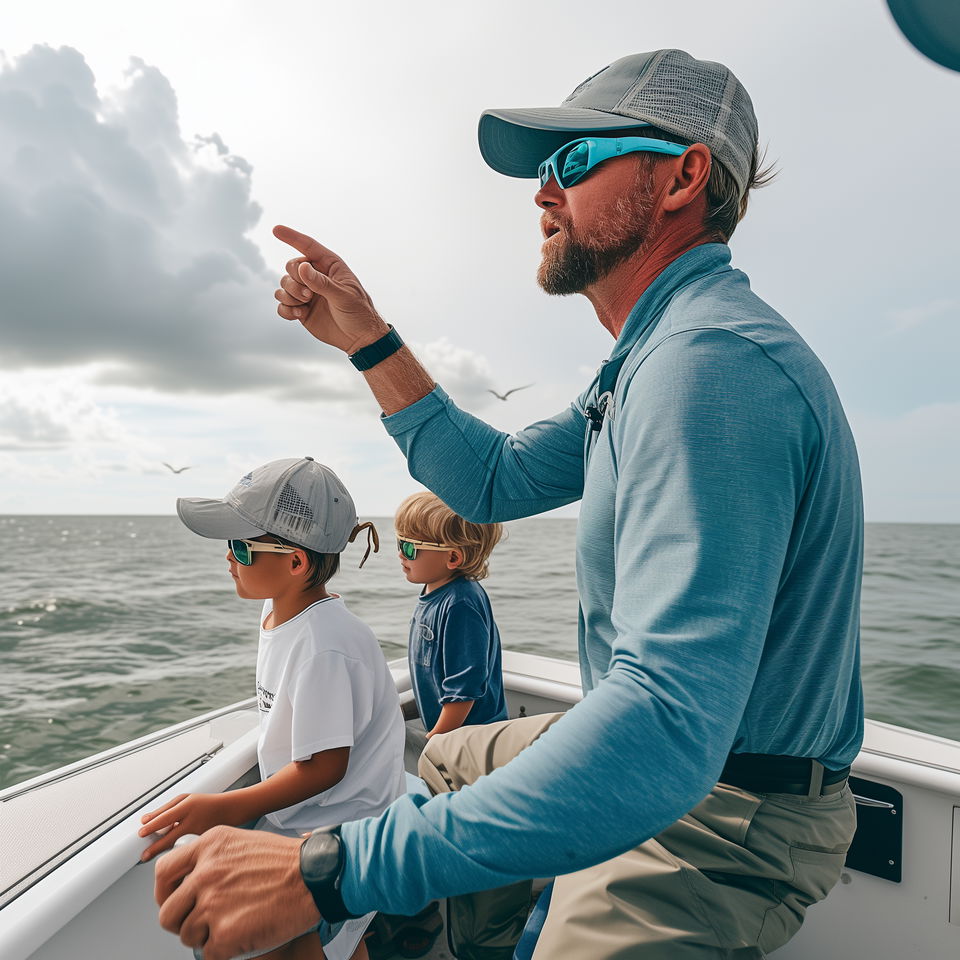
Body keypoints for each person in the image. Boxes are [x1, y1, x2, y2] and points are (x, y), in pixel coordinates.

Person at [153, 49, 864, 960]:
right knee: (449, 757)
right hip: (683, 764)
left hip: (721, 814)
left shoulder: (710, 367)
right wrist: (369, 339)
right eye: (542, 171)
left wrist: (326, 870)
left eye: (573, 161)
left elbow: (666, 725)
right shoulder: (643, 367)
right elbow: (493, 478)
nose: (542, 191)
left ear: (684, 174)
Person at [141, 456, 405, 960]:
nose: (228, 558)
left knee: (278, 940)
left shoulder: (325, 645)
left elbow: (326, 767)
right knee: (342, 943)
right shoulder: (280, 610)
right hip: (319, 816)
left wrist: (220, 807)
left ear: (296, 563)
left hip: (340, 832)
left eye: (241, 546)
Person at [395, 490, 508, 741]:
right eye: (399, 542)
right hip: (450, 734)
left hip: (471, 741)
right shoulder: (433, 590)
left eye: (410, 547)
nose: (401, 554)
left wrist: (436, 738)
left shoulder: (461, 603)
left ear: (453, 557)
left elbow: (463, 688)